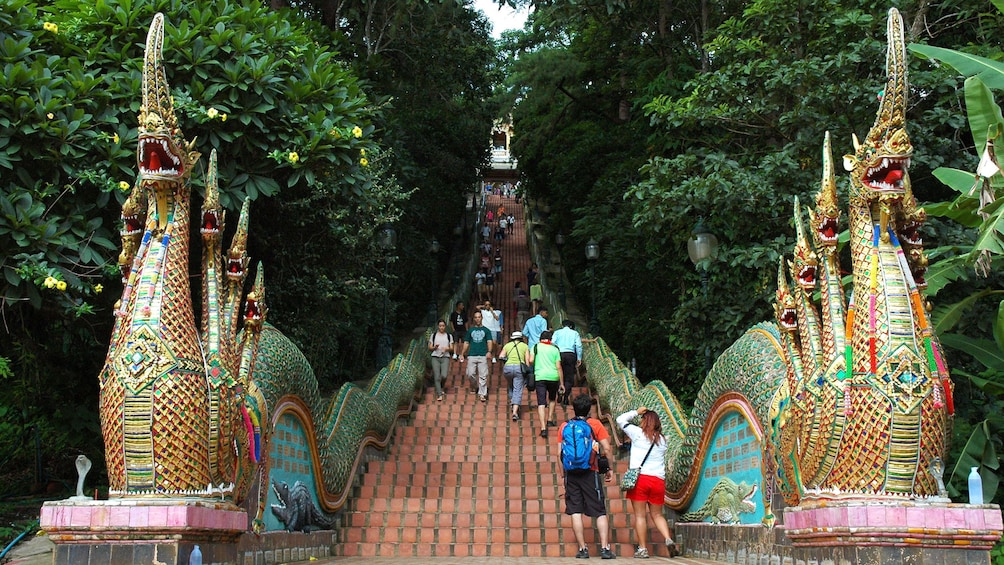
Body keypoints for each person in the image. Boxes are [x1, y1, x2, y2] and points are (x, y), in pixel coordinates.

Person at [559, 394, 615, 559]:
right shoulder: (594, 424)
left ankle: (583, 549)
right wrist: (609, 467)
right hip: (591, 471)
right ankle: (604, 549)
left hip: (571, 473)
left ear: (574, 409)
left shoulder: (565, 426)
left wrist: (563, 475)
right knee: (599, 510)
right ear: (588, 409)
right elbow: (607, 448)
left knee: (575, 510)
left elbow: (559, 454)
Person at [616, 407, 675, 559]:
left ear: (645, 421)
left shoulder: (638, 434)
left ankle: (643, 549)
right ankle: (668, 539)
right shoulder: (663, 440)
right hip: (658, 481)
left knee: (640, 516)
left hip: (641, 480)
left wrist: (636, 411)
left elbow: (620, 420)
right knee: (657, 514)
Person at [527, 330, 562, 438]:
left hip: (540, 377)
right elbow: (559, 367)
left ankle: (543, 428)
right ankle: (550, 419)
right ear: (550, 339)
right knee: (552, 398)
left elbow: (531, 360)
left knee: (541, 403)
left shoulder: (536, 347)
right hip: (553, 377)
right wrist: (562, 383)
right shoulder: (555, 349)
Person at [461, 311, 495, 402]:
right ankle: (474, 385)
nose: (477, 319)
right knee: (470, 373)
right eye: (476, 317)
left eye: (479, 317)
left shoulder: (486, 330)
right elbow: (466, 342)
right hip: (472, 354)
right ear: (474, 319)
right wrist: (462, 353)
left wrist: (489, 351)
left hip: (483, 355)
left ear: (481, 318)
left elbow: (489, 341)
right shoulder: (470, 330)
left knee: (483, 375)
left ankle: (482, 394)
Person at [499, 331, 530, 421]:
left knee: (511, 385)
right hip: (519, 368)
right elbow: (527, 361)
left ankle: (512, 401)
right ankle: (515, 412)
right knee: (518, 389)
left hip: (507, 368)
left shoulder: (508, 345)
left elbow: (501, 356)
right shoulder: (524, 346)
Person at [552, 320, 583, 405]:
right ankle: (566, 397)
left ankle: (559, 392)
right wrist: (579, 357)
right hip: (571, 355)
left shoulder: (557, 332)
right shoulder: (575, 333)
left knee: (558, 374)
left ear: (563, 325)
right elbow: (579, 346)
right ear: (571, 326)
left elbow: (553, 343)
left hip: (559, 354)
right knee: (569, 377)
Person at [428, 320, 453, 401]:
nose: (441, 327)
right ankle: (439, 394)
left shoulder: (449, 336)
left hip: (445, 357)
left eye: (443, 326)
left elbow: (452, 348)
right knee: (437, 376)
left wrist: (447, 348)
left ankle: (441, 386)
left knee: (444, 375)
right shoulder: (434, 335)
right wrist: (434, 347)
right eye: (440, 326)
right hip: (435, 357)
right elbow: (430, 347)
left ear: (445, 327)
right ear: (438, 326)